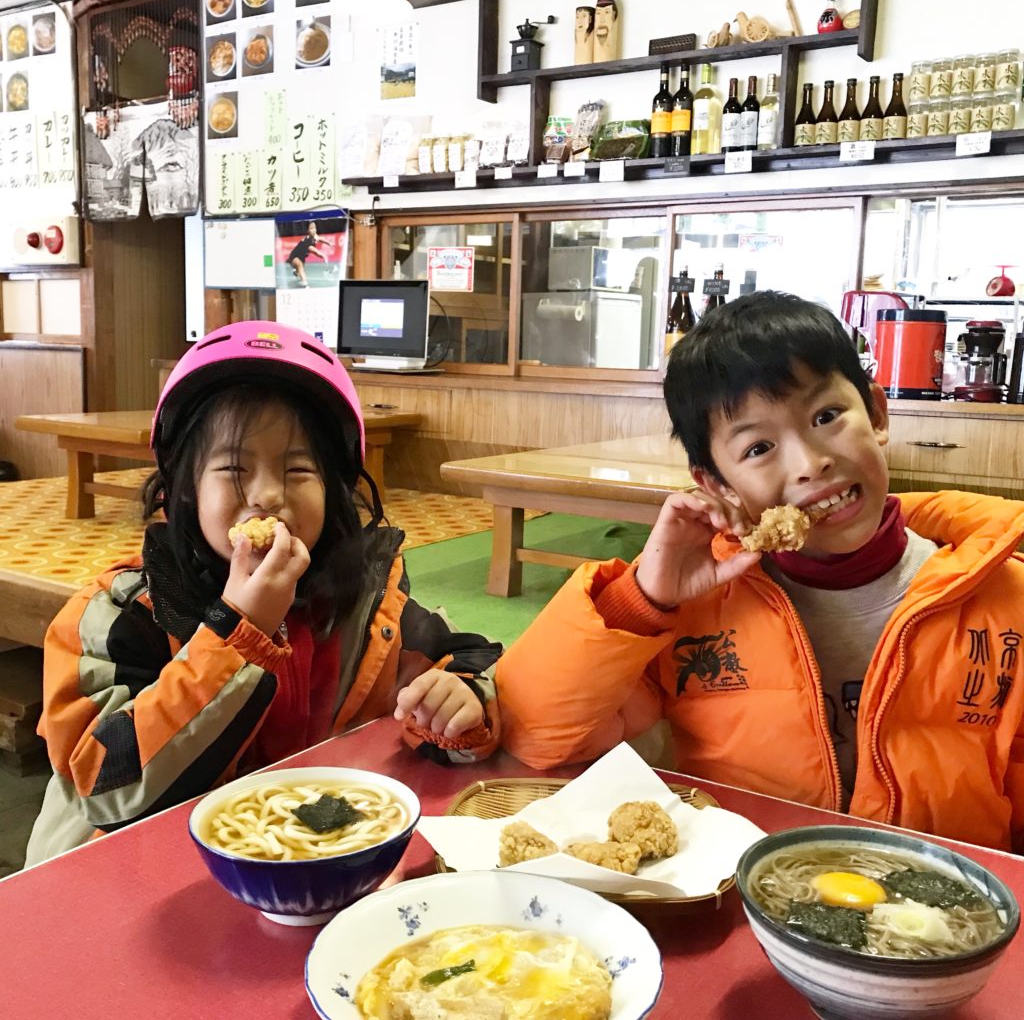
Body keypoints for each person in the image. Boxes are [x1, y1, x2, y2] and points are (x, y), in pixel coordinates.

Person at [497, 291, 1024, 853]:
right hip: (743, 896)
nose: (809, 463)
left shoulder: (1002, 596)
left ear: (876, 413)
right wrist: (641, 599)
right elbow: (538, 737)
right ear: (717, 485)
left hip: (940, 919)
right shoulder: (691, 611)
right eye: (758, 448)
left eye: (827, 417)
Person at [26, 322, 502, 864]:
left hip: (307, 861)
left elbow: (461, 657)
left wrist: (462, 698)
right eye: (233, 468)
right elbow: (105, 783)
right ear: (184, 489)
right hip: (129, 877)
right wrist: (239, 629)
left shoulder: (367, 601)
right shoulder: (122, 612)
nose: (268, 495)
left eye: (298, 468)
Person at [288, 221, 331, 287]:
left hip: (301, 258)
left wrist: (329, 243)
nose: (314, 230)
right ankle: (305, 284)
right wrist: (324, 256)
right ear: (308, 231)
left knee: (300, 267)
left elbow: (320, 239)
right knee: (299, 265)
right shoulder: (308, 243)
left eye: (314, 228)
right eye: (311, 228)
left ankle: (296, 273)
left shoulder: (315, 236)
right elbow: (317, 253)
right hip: (294, 257)